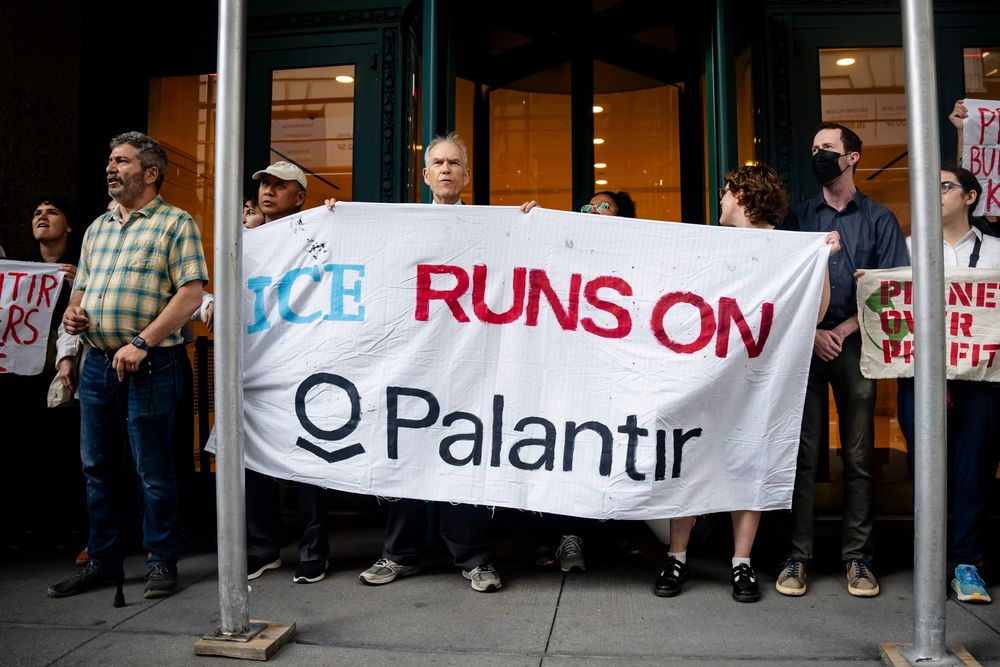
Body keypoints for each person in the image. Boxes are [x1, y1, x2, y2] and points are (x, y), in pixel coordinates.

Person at [651, 165, 840, 602]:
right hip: (709, 375)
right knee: (693, 459)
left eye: (726, 191)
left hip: (758, 382)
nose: (721, 199)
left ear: (745, 196)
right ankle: (677, 555)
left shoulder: (791, 249)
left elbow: (813, 313)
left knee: (749, 463)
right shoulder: (711, 245)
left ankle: (742, 563)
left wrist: (820, 262)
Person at [328, 132, 502, 592]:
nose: (446, 169)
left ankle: (475, 559)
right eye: (438, 163)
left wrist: (529, 225)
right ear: (424, 176)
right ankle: (398, 554)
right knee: (405, 453)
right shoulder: (400, 224)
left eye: (454, 163)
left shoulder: (493, 227)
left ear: (467, 175)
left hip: (467, 363)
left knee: (464, 454)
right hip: (412, 360)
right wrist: (335, 223)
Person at [47, 131, 208, 601]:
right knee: (96, 466)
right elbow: (81, 293)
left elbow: (191, 294)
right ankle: (103, 560)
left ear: (150, 172)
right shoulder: (96, 228)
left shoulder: (175, 223)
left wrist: (142, 341)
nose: (110, 168)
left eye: (121, 161)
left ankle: (160, 562)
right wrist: (74, 318)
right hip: (96, 362)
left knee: (152, 469)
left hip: (150, 364)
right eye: (110, 161)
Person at [776, 122, 909, 598]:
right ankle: (797, 556)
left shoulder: (879, 220)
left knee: (858, 454)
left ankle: (858, 558)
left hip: (857, 345)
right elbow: (783, 285)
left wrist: (842, 331)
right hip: (805, 346)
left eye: (827, 149)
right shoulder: (799, 217)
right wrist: (812, 332)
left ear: (852, 157)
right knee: (804, 454)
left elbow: (892, 289)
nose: (818, 156)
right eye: (813, 149)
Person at [518, 189, 639, 573]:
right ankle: (558, 535)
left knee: (608, 449)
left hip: (612, 373)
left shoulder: (637, 258)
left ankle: (611, 531)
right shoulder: (567, 252)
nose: (595, 211)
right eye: (589, 206)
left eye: (606, 207)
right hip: (567, 372)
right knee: (561, 448)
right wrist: (534, 223)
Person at [895, 166, 999, 604]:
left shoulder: (996, 251)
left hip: (980, 381)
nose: (935, 193)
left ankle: (967, 564)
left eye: (945, 186)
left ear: (970, 197)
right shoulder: (906, 248)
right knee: (926, 471)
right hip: (922, 377)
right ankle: (932, 563)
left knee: (973, 471)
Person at [243, 160, 333, 585]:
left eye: (280, 186)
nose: (268, 192)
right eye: (264, 185)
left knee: (310, 459)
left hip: (306, 361)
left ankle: (314, 551)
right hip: (260, 364)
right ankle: (263, 549)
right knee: (256, 459)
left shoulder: (319, 234)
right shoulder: (246, 242)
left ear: (300, 197)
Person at [2, 196, 85, 554]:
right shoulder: (19, 268)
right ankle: (34, 527)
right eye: (36, 213)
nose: (42, 217)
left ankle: (69, 526)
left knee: (68, 447)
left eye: (51, 212)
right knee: (29, 446)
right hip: (25, 372)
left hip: (67, 367)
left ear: (68, 226)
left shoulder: (83, 268)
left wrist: (73, 283)